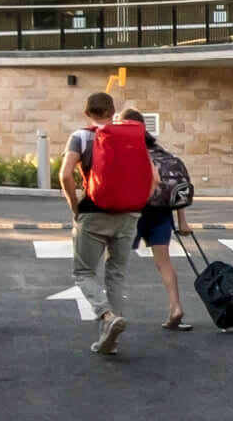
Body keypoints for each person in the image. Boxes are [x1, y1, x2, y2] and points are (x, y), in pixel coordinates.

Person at [57, 92, 152, 357]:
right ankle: (111, 337)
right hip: (129, 214)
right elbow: (152, 178)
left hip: (94, 212)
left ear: (87, 113)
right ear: (113, 111)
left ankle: (107, 316)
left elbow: (65, 175)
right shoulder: (132, 137)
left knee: (84, 272)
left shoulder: (81, 136)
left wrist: (75, 208)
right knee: (116, 273)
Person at [127, 104, 192, 330]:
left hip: (133, 212)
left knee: (114, 261)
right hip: (162, 212)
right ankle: (176, 307)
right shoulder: (161, 151)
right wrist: (182, 221)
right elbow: (178, 188)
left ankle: (109, 312)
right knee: (164, 262)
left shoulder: (126, 149)